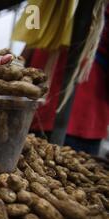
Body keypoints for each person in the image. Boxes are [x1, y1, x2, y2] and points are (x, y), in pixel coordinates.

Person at [26, 5, 108, 155]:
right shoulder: (40, 5)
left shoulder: (100, 8)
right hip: (33, 112)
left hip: (80, 119)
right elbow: (29, 38)